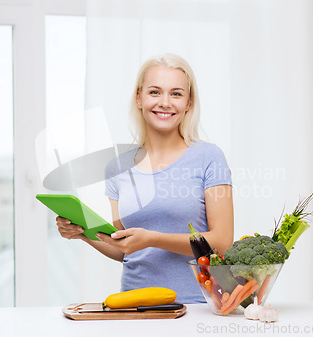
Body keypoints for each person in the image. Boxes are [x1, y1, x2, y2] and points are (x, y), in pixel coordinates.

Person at [56, 53, 234, 303]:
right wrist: (81, 233)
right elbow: (124, 247)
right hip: (133, 303)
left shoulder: (209, 157)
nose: (165, 102)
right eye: (154, 92)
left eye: (176, 93)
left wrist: (152, 239)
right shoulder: (117, 166)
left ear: (188, 103)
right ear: (139, 98)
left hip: (196, 304)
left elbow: (222, 243)